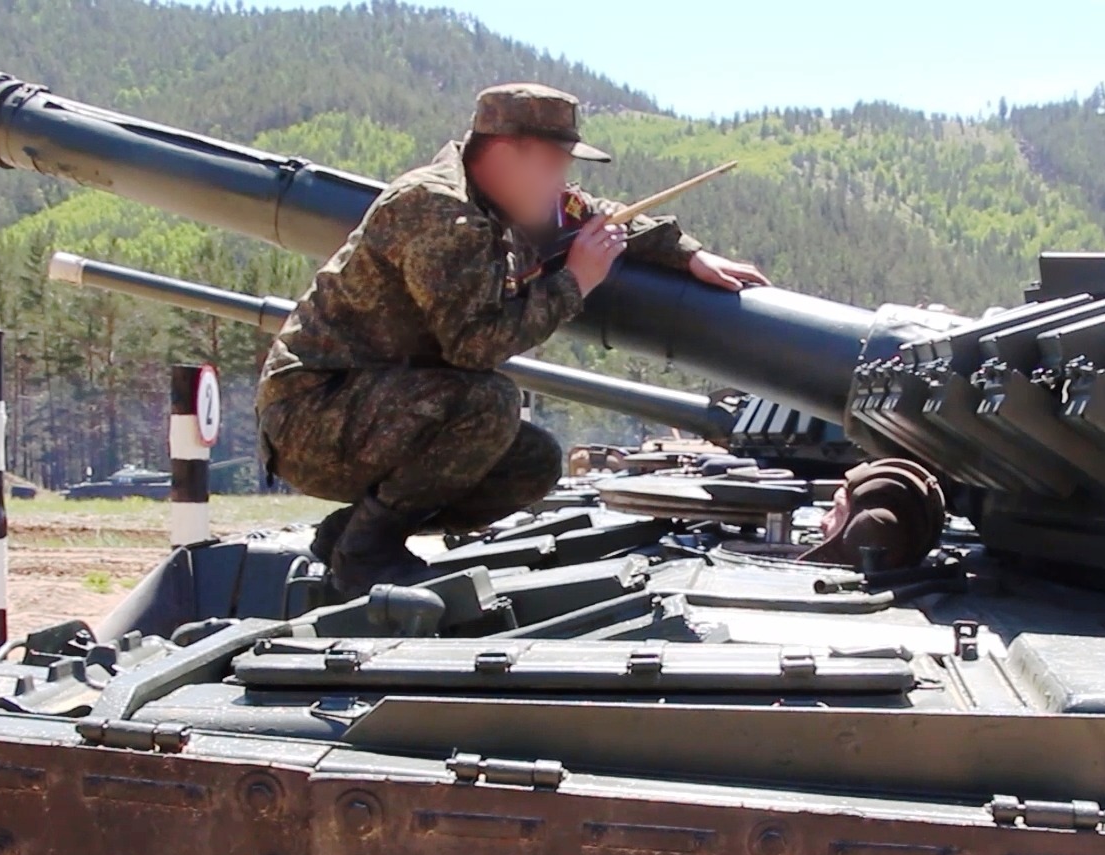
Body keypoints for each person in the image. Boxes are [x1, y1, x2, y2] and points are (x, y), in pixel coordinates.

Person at [257, 83, 770, 595]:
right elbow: (475, 347)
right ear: (510, 153)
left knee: (532, 462)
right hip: (314, 415)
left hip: (385, 407)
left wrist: (687, 254)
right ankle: (368, 557)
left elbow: (599, 214)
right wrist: (576, 281)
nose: (563, 179)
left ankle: (354, 534)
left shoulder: (512, 200)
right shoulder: (439, 210)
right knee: (491, 402)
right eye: (556, 162)